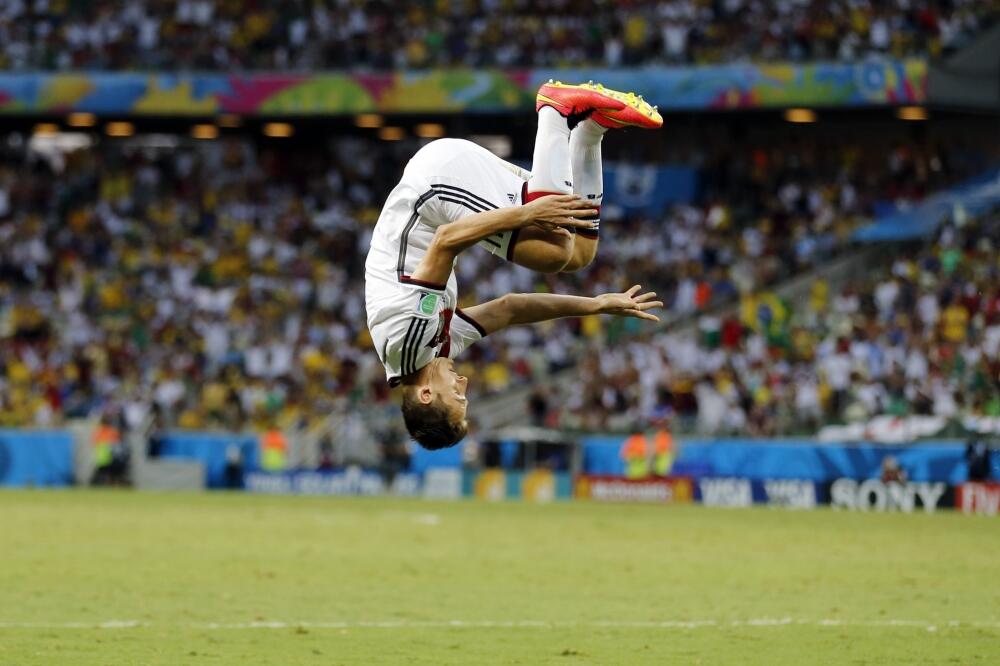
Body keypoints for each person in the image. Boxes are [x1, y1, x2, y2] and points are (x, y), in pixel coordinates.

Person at [365, 81, 663, 450]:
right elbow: (510, 309)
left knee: (551, 251)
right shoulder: (431, 353)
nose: (464, 384)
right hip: (443, 185)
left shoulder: (408, 341)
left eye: (457, 396)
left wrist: (526, 214)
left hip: (435, 186)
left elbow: (445, 240)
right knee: (579, 255)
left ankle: (554, 109)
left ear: (426, 395)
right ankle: (592, 129)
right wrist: (596, 305)